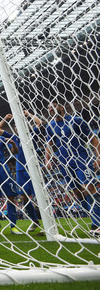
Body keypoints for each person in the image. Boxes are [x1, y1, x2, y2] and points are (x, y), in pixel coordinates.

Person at [44, 101, 100, 237]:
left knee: (89, 188)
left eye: (53, 106)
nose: (51, 109)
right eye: (49, 108)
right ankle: (93, 217)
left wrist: (98, 157)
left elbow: (93, 138)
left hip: (82, 159)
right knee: (78, 193)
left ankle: (97, 223)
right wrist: (48, 160)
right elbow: (49, 145)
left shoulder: (76, 120)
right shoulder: (50, 126)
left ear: (61, 107)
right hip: (64, 163)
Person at [0, 113, 43, 234]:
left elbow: (39, 123)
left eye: (19, 125)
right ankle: (35, 220)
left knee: (39, 195)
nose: (17, 127)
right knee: (23, 197)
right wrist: (5, 118)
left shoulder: (31, 135)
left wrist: (28, 114)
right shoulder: (14, 137)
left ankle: (48, 224)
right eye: (15, 126)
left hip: (33, 168)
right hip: (20, 169)